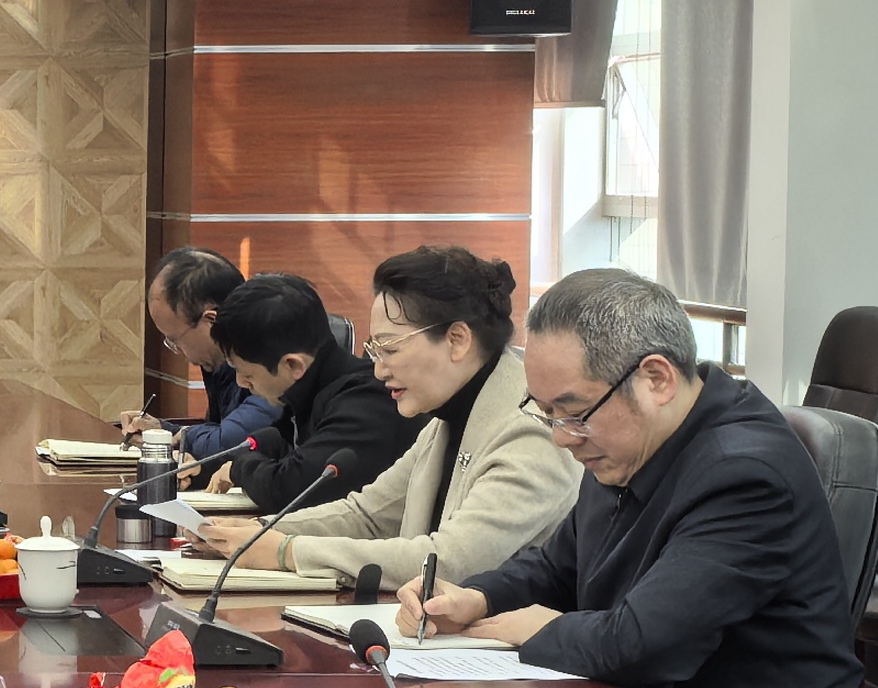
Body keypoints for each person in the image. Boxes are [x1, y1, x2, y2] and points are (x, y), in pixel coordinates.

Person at [403, 268, 871, 688]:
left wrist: (537, 630)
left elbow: (646, 644)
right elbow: (559, 565)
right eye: (548, 412)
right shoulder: (625, 441)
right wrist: (477, 597)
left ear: (656, 379)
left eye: (573, 411)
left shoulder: (744, 473)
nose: (562, 437)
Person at [196, 245, 578, 589]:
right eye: (374, 350)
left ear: (457, 339)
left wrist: (286, 551)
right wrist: (257, 532)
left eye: (389, 349)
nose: (378, 371)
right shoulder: (447, 417)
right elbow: (368, 515)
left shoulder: (530, 432)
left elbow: (448, 562)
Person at [202, 274, 401, 512]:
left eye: (248, 374)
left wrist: (239, 469)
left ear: (293, 365)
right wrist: (203, 469)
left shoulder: (365, 402)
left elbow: (291, 489)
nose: (241, 383)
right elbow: (273, 449)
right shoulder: (308, 394)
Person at [117, 247, 278, 467]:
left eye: (175, 339)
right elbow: (218, 431)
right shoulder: (219, 363)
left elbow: (232, 444)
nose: (177, 351)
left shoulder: (268, 355)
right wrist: (162, 431)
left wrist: (183, 437)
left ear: (211, 320)